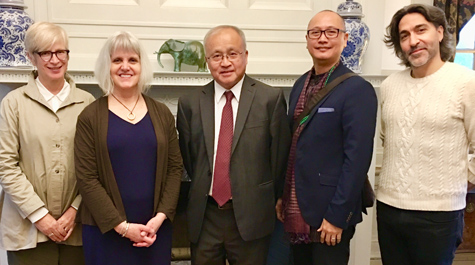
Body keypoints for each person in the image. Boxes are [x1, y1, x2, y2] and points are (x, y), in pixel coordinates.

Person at [177, 25, 290, 265]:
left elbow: (278, 158)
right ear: (207, 61)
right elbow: (190, 158)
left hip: (252, 217)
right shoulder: (189, 103)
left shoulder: (269, 99)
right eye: (216, 56)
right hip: (205, 216)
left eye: (232, 54)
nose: (225, 62)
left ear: (245, 56)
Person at [276, 10, 377, 265]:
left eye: (331, 32)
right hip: (297, 207)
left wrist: (337, 216)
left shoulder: (357, 90)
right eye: (315, 33)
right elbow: (293, 146)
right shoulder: (300, 84)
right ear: (307, 40)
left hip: (330, 213)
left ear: (344, 39)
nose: (323, 38)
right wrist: (283, 196)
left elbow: (357, 159)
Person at [377, 4, 475, 265]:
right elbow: (388, 139)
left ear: (440, 32)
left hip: (439, 216)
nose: (413, 41)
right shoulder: (389, 86)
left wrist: (457, 183)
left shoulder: (466, 82)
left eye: (421, 30)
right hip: (389, 207)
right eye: (404, 35)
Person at [74, 31, 182, 265]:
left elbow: (175, 169)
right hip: (106, 232)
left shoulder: (162, 113)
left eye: (132, 60)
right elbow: (87, 178)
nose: (125, 67)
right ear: (107, 66)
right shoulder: (90, 117)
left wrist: (160, 218)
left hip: (154, 232)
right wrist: (122, 227)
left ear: (142, 66)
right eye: (117, 60)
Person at [0, 22, 95, 265]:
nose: (55, 60)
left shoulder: (88, 103)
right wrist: (41, 216)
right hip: (27, 231)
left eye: (60, 51)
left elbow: (95, 167)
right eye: (45, 53)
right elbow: (5, 165)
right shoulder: (13, 103)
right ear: (31, 57)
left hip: (78, 231)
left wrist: (74, 211)